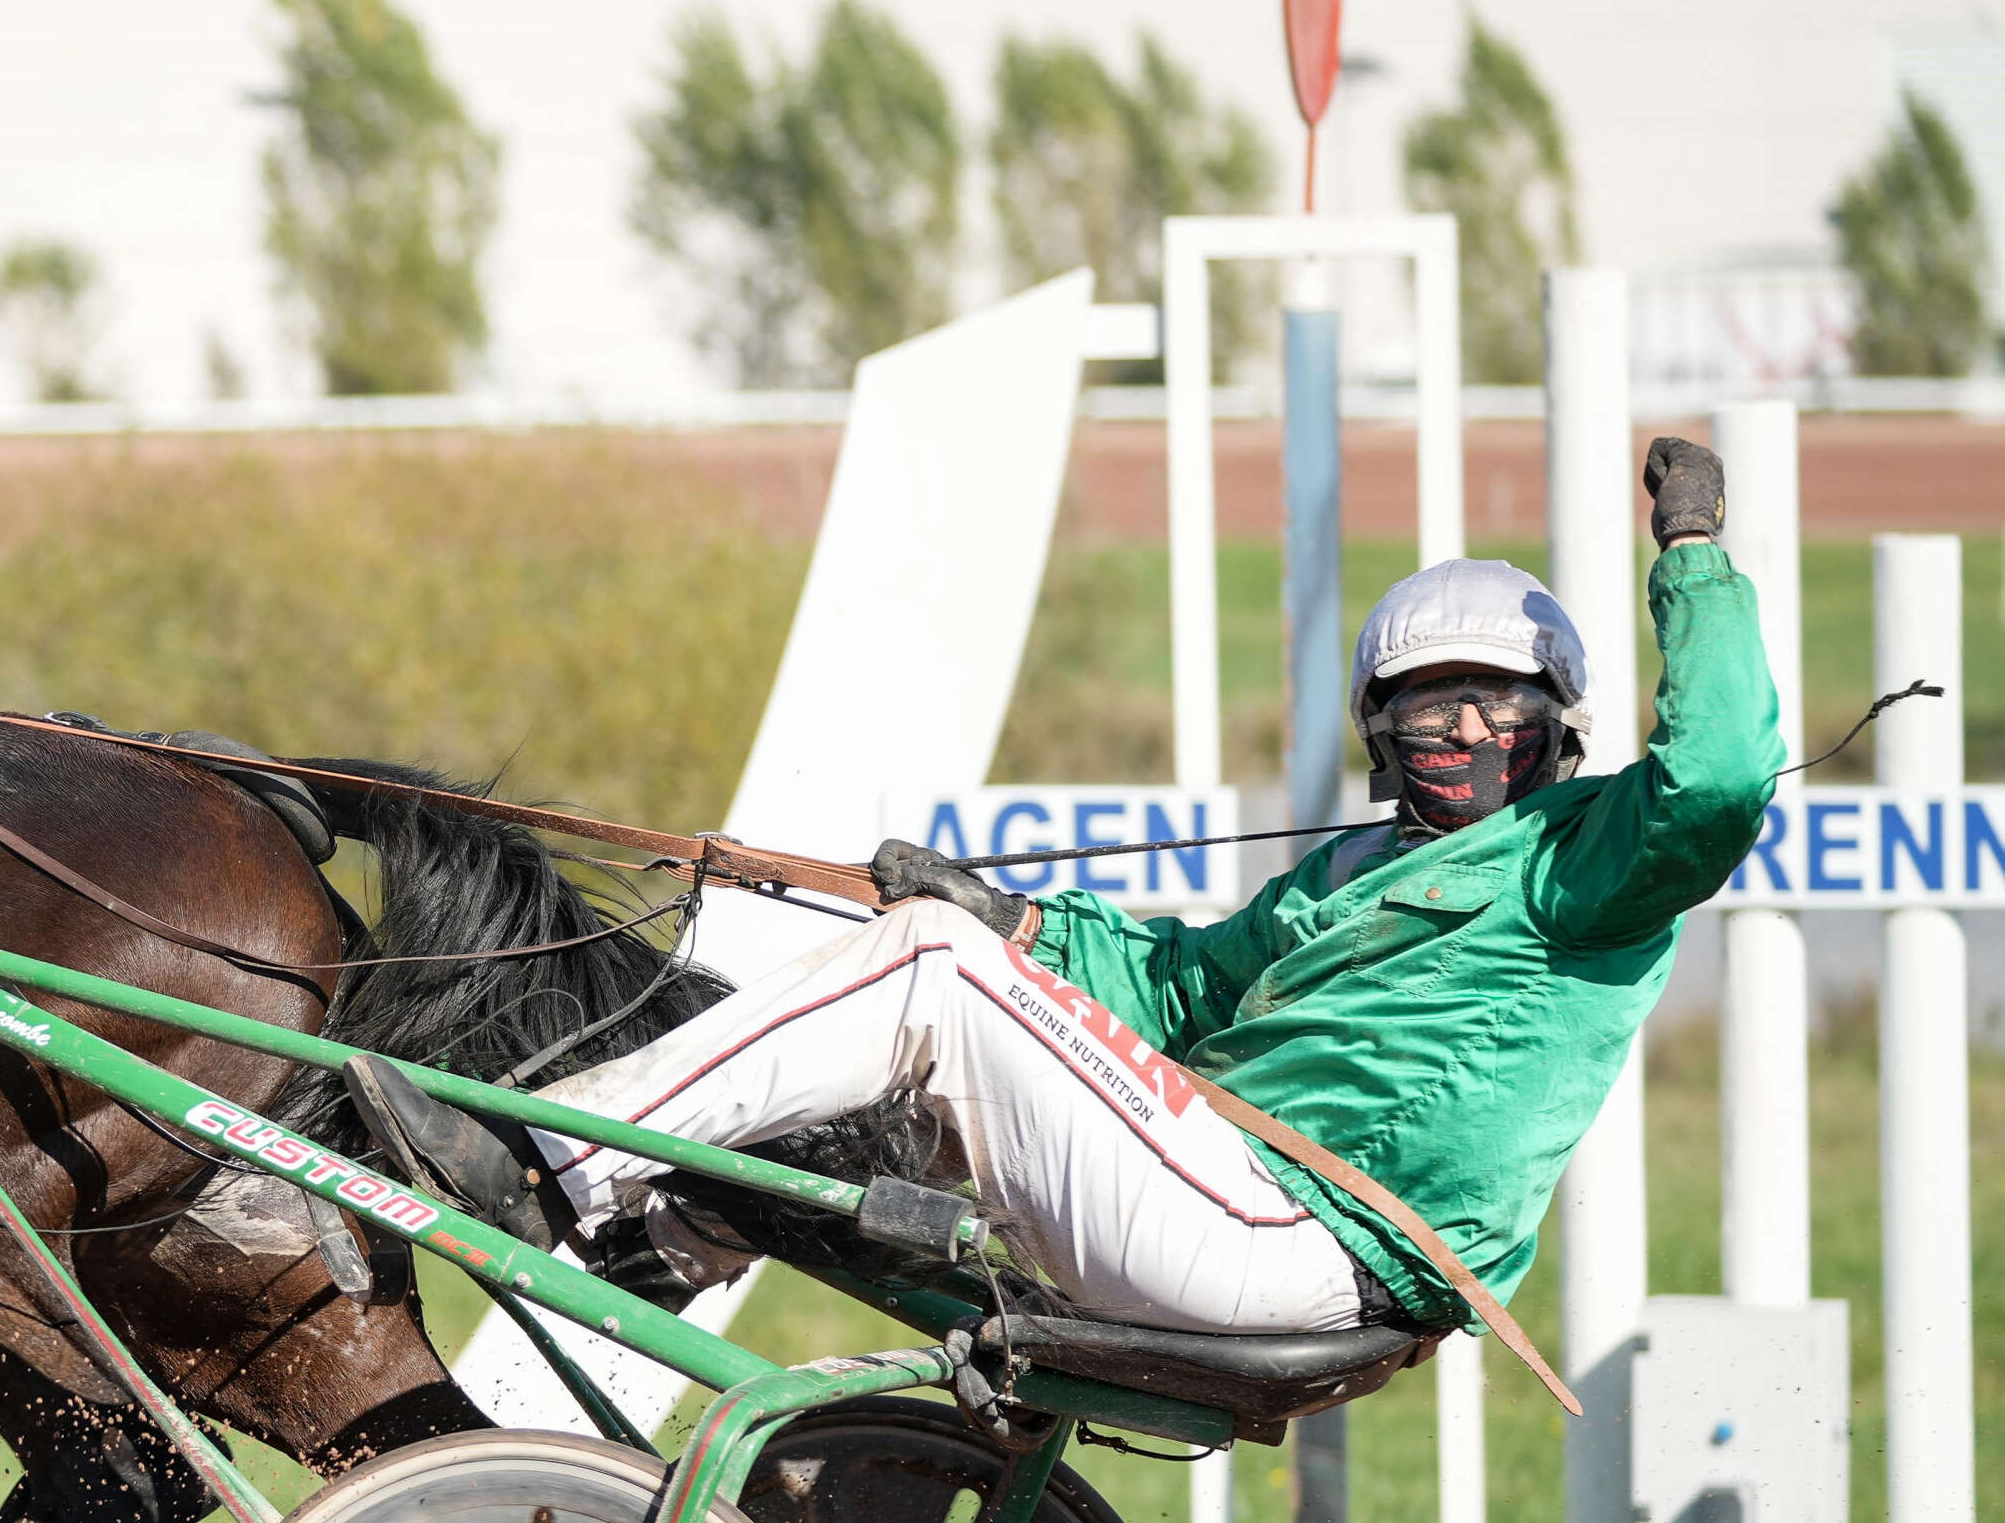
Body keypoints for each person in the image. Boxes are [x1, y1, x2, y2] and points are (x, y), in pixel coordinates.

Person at [356, 436, 1784, 1340]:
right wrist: (1017, 921)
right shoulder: (1353, 871)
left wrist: (1695, 560)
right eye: (1423, 709)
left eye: (1490, 704)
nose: (1456, 732)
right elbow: (1172, 994)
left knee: (922, 975)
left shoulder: (1589, 865)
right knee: (916, 1037)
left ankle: (556, 1155)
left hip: (1310, 1232)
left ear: (1557, 724)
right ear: (1378, 733)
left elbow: (1720, 773)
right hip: (1228, 1195)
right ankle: (664, 1246)